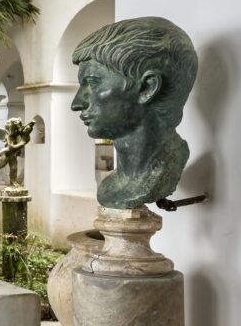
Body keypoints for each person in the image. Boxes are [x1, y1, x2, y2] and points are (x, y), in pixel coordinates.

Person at [70, 16, 198, 209]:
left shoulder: (159, 171)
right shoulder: (112, 185)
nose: (76, 104)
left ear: (147, 88)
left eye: (93, 82)